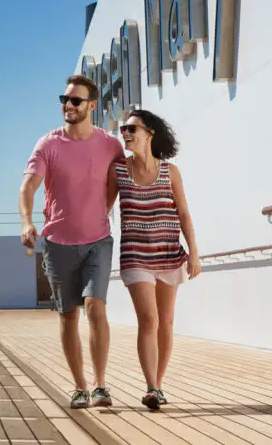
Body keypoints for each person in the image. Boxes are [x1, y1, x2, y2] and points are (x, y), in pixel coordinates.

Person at [19, 74, 124, 409]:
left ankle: (100, 385)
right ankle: (79, 386)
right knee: (68, 315)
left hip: (98, 240)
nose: (68, 106)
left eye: (75, 101)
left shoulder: (110, 144)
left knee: (96, 306)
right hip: (57, 242)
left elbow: (119, 182)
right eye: (64, 100)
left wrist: (102, 212)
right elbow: (28, 187)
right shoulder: (47, 145)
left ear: (92, 105)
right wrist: (26, 222)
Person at [107, 109, 201, 410]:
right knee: (148, 319)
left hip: (169, 254)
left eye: (132, 128)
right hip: (135, 256)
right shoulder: (118, 170)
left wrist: (194, 251)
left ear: (150, 133)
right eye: (123, 129)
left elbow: (184, 213)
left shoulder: (170, 171)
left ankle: (158, 385)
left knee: (166, 323)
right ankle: (150, 386)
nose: (126, 134)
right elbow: (103, 208)